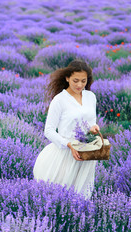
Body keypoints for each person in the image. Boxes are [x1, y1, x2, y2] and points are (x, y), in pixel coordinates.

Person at [33, 59, 100, 200]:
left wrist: (93, 128)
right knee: (57, 197)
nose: (80, 85)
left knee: (82, 196)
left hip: (85, 153)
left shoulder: (90, 97)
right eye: (75, 80)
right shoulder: (60, 100)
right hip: (65, 154)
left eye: (84, 81)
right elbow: (49, 130)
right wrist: (69, 144)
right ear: (67, 78)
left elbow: (90, 123)